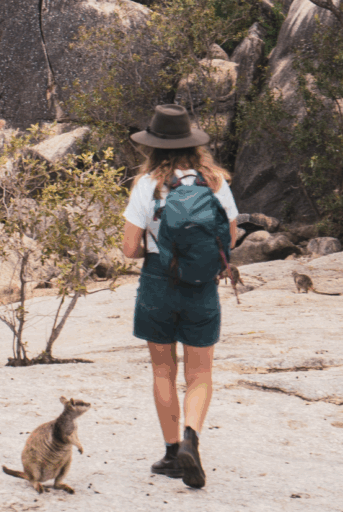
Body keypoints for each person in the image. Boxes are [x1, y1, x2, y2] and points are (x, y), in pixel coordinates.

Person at [121, 104, 238, 489]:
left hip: (157, 281)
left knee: (162, 370)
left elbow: (129, 248)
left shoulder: (146, 186)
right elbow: (231, 238)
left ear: (152, 147)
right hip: (202, 286)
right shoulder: (216, 181)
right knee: (200, 371)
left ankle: (172, 454)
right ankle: (192, 438)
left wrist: (157, 247)